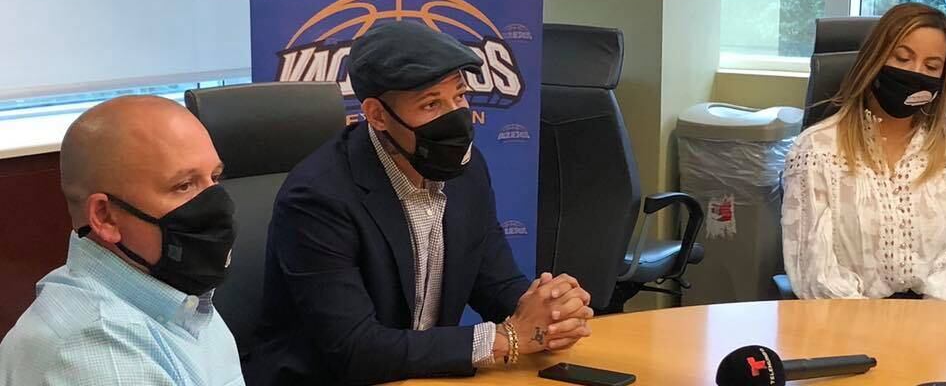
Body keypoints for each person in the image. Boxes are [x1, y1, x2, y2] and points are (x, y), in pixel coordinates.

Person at [246, 21, 593, 386]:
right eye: (431, 104)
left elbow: (495, 282)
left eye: (459, 96)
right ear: (377, 115)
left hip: (420, 377)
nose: (454, 116)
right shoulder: (318, 197)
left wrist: (550, 311)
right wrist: (506, 338)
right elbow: (355, 349)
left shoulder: (467, 172)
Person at [0, 96, 243, 385]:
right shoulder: (100, 352)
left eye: (215, 177)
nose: (216, 202)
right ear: (106, 217)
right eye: (184, 185)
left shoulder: (171, 297)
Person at [782, 2, 946, 302]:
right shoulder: (817, 149)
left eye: (931, 67)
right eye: (902, 58)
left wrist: (931, 320)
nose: (915, 73)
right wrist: (880, 323)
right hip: (847, 318)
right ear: (874, 61)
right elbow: (815, 273)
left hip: (943, 318)